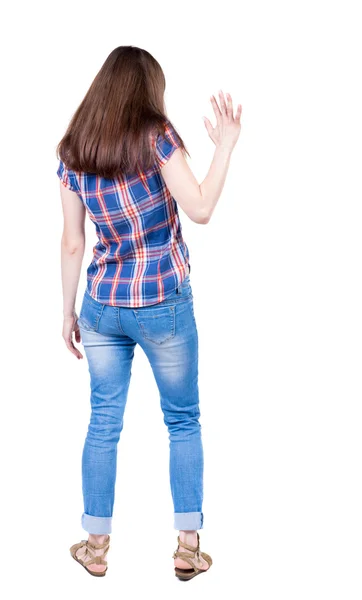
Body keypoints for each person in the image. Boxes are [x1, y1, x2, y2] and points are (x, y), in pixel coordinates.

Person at [56, 45, 242, 580]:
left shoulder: (74, 150)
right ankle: (187, 548)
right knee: (182, 419)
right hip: (162, 303)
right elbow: (201, 208)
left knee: (103, 422)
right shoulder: (155, 136)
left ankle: (95, 547)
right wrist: (225, 147)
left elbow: (73, 243)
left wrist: (67, 312)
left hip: (102, 307)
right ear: (147, 91)